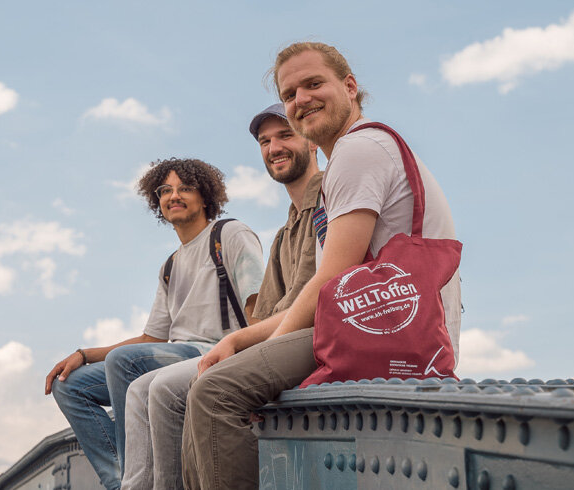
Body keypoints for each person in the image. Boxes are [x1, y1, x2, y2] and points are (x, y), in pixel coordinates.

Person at [180, 42, 462, 490]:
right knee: (210, 382)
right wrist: (239, 337)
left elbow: (332, 281)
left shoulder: (358, 150)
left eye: (314, 84)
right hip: (392, 325)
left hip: (376, 327)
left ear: (349, 87)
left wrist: (252, 345)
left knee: (214, 392)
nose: (301, 100)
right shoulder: (362, 151)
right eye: (290, 93)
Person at [120, 103, 323, 490]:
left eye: (285, 135)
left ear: (312, 141)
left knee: (171, 386)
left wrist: (246, 349)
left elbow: (291, 302)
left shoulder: (316, 207)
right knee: (134, 384)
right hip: (264, 339)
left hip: (296, 338)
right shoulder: (285, 232)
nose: (274, 147)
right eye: (265, 141)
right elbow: (266, 310)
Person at [44, 157, 264, 490]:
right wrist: (85, 354)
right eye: (166, 190)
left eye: (185, 188)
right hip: (173, 356)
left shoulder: (229, 235)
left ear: (205, 197)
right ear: (156, 200)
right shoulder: (170, 265)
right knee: (69, 385)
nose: (174, 196)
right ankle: (121, 480)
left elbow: (258, 306)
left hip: (216, 352)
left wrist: (252, 378)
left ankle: (138, 481)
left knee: (123, 363)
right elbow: (153, 337)